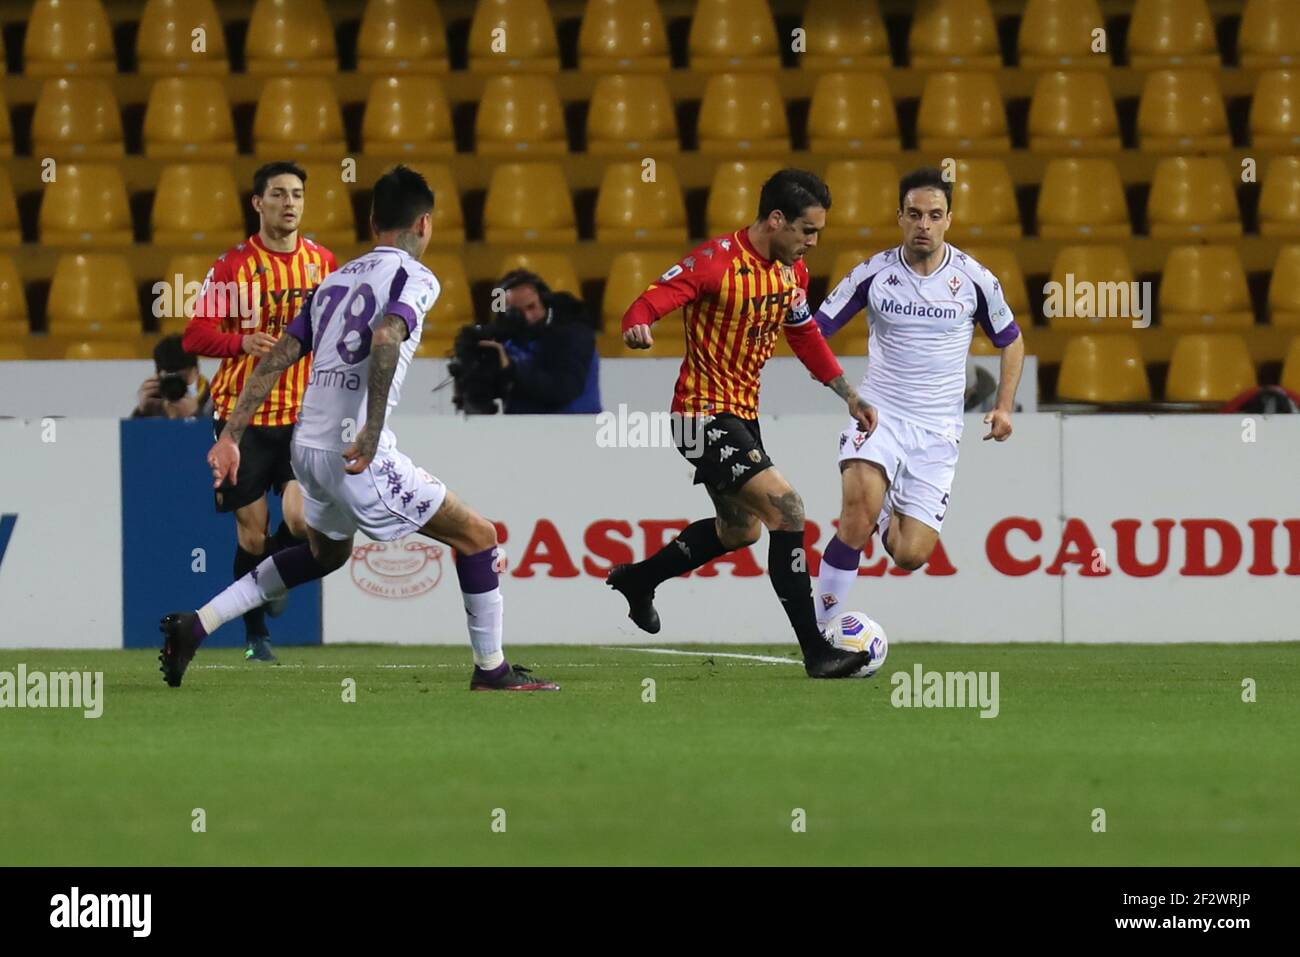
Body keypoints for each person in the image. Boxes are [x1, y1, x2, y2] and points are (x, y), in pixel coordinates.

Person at [159, 165, 558, 693]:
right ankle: (492, 670)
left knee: (328, 554)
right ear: (424, 224)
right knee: (478, 537)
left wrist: (231, 434)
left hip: (306, 449)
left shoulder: (332, 280)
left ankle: (197, 623)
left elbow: (277, 357)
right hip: (356, 453)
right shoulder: (414, 277)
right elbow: (387, 336)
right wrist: (371, 431)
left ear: (373, 222)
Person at [605, 168, 876, 679]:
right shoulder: (714, 263)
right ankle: (816, 652)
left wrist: (848, 393)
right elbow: (649, 301)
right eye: (807, 231)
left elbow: (803, 335)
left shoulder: (791, 272)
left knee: (740, 531)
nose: (813, 243)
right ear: (776, 220)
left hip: (741, 416)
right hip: (699, 414)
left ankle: (639, 580)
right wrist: (637, 325)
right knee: (789, 510)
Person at [811, 167, 1024, 628]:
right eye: (914, 214)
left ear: (949, 219)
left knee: (910, 554)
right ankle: (821, 633)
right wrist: (845, 391)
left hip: (937, 432)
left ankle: (885, 508)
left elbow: (1011, 339)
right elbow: (814, 331)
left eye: (934, 215)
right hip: (879, 416)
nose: (923, 224)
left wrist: (1003, 406)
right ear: (900, 218)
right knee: (854, 518)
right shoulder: (874, 274)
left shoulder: (974, 280)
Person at [181, 161, 338, 662]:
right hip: (240, 420)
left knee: (298, 521)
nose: (289, 203)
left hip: (302, 416)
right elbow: (194, 335)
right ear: (258, 203)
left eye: (297, 194)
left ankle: (272, 573)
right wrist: (240, 341)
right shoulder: (232, 267)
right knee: (251, 532)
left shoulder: (322, 262)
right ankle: (255, 635)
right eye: (278, 194)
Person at [452, 270, 601, 414]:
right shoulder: (506, 340)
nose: (527, 317)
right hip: (522, 431)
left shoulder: (574, 333)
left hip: (575, 428)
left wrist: (511, 369)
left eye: (531, 307)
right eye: (515, 312)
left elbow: (564, 388)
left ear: (544, 301)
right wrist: (470, 377)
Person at [131, 335, 212, 420]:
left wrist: (196, 416)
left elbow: (221, 432)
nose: (176, 384)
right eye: (169, 377)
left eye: (183, 377)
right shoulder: (153, 405)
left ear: (196, 370)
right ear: (157, 375)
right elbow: (132, 433)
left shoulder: (217, 402)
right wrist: (141, 412)